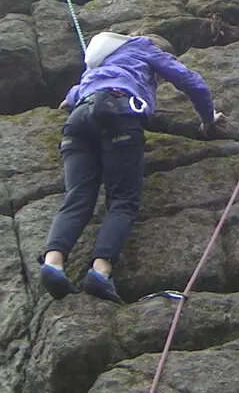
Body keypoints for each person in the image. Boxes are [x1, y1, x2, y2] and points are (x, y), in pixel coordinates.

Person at [39, 30, 221, 303]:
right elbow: (190, 81)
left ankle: (53, 264)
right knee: (123, 200)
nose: (157, 81)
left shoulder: (102, 63)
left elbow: (71, 97)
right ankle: (100, 272)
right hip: (119, 115)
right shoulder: (146, 48)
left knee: (77, 196)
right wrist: (208, 119)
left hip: (78, 120)